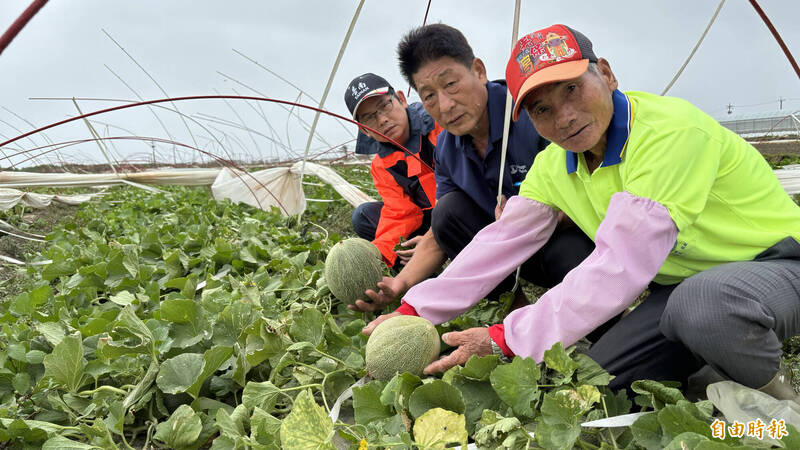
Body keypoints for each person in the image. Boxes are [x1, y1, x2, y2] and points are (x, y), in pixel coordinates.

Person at [367, 23, 800, 399]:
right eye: (542, 109)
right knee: (604, 381)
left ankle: (779, 407)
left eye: (572, 89)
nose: (565, 116)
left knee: (702, 306)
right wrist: (415, 308)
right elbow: (499, 241)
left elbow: (619, 266)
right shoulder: (555, 164)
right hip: (685, 284)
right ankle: (707, 361)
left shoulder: (669, 134)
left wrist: (506, 338)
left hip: (776, 262)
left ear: (606, 74)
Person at [354, 23, 594, 314]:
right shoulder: (446, 147)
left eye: (451, 84)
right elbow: (437, 233)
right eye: (429, 95)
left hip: (559, 240)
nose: (445, 105)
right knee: (447, 212)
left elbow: (591, 192)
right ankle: (513, 310)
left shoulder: (530, 114)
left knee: (571, 253)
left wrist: (537, 216)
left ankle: (602, 322)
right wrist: (400, 284)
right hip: (506, 252)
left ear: (478, 71)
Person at [345, 73, 443, 271]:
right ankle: (419, 279)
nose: (382, 120)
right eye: (369, 117)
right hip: (429, 218)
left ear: (402, 99)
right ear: (364, 130)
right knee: (363, 215)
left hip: (459, 208)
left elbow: (460, 188)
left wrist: (432, 239)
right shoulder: (381, 165)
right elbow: (400, 213)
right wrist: (376, 258)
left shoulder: (439, 125)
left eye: (384, 106)